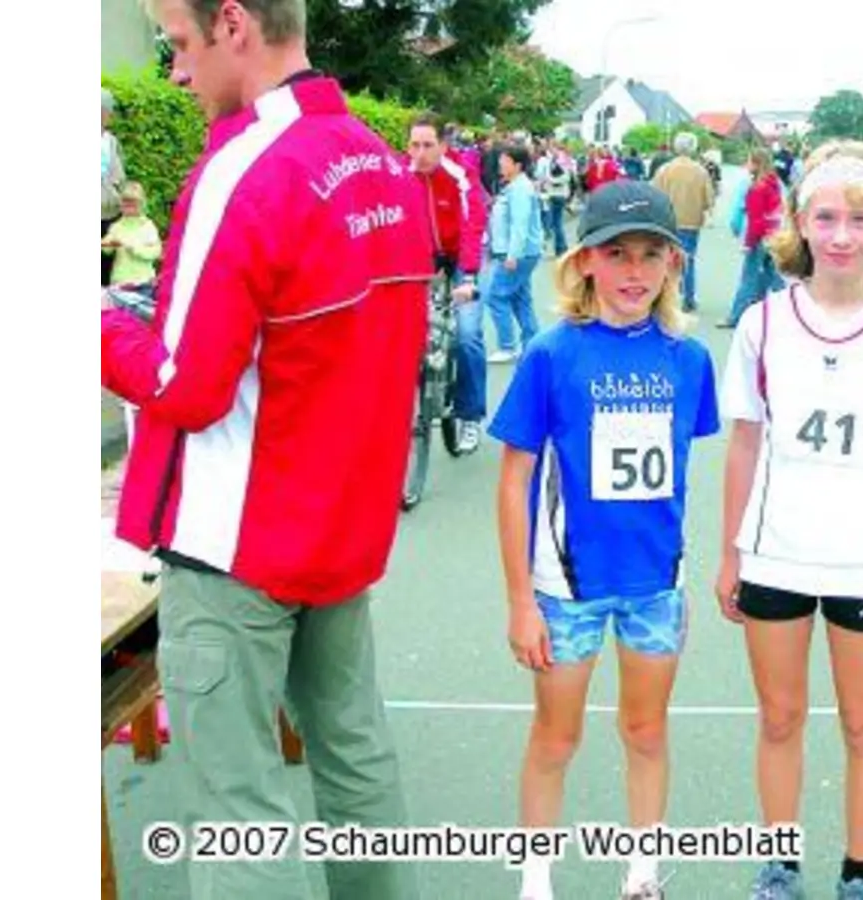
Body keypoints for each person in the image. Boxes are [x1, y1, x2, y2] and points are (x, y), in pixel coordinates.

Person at [99, 2, 428, 898]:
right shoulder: (384, 163)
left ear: (233, 23)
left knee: (240, 816)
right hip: (337, 527)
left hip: (236, 538)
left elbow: (185, 384)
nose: (174, 71)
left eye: (176, 44)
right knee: (356, 763)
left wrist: (94, 326)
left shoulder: (243, 167)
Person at [715, 139, 863, 900]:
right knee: (780, 719)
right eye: (826, 217)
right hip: (775, 555)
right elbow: (745, 443)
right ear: (801, 223)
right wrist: (731, 555)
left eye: (859, 218)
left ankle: (859, 873)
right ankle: (780, 865)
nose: (842, 234)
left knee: (861, 723)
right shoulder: (762, 322)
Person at [489, 180, 721, 900]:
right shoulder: (552, 355)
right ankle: (535, 876)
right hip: (567, 590)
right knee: (556, 737)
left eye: (652, 254)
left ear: (673, 266)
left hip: (655, 585)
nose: (634, 271)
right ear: (584, 261)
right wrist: (521, 601)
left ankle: (643, 870)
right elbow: (513, 483)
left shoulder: (688, 361)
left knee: (646, 731)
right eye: (616, 253)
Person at [408, 114, 490, 453]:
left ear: (444, 146)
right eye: (414, 144)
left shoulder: (461, 174)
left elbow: (474, 223)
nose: (420, 153)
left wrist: (469, 276)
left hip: (462, 255)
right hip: (425, 257)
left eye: (428, 145)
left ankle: (470, 414)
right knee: (405, 331)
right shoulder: (402, 174)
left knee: (467, 334)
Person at [484, 143, 546, 363]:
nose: (500, 164)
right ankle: (532, 343)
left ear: (517, 165)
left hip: (518, 254)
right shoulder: (514, 186)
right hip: (517, 252)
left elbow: (519, 225)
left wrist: (512, 255)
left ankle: (507, 345)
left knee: (496, 296)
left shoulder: (520, 189)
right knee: (521, 299)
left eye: (504, 161)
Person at [650, 131, 717, 314]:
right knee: (688, 260)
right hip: (691, 222)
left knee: (666, 259)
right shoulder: (700, 171)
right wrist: (706, 211)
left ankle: (665, 297)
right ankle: (688, 298)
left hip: (667, 221)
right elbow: (708, 199)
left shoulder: (664, 170)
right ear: (693, 148)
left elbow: (653, 195)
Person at [721, 147, 787, 328]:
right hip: (774, 235)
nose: (746, 164)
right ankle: (788, 311)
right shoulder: (774, 183)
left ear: (756, 164)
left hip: (760, 239)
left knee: (749, 278)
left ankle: (735, 317)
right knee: (773, 278)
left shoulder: (756, 189)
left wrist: (748, 243)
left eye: (749, 161)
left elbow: (755, 220)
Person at [101, 181, 161, 287]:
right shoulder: (116, 226)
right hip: (120, 281)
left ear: (141, 204)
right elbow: (107, 251)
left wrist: (134, 249)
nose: (128, 206)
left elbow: (155, 252)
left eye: (133, 203)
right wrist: (107, 244)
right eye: (125, 202)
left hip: (143, 281)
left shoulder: (147, 226)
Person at [101, 88, 128, 286]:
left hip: (111, 213)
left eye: (106, 112)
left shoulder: (111, 141)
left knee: (107, 264)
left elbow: (120, 176)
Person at [534, 140, 572, 257]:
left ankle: (561, 247)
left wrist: (549, 180)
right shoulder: (555, 160)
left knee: (554, 223)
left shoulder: (561, 160)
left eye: (551, 148)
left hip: (557, 194)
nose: (550, 150)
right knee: (556, 223)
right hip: (554, 194)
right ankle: (561, 248)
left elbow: (566, 178)